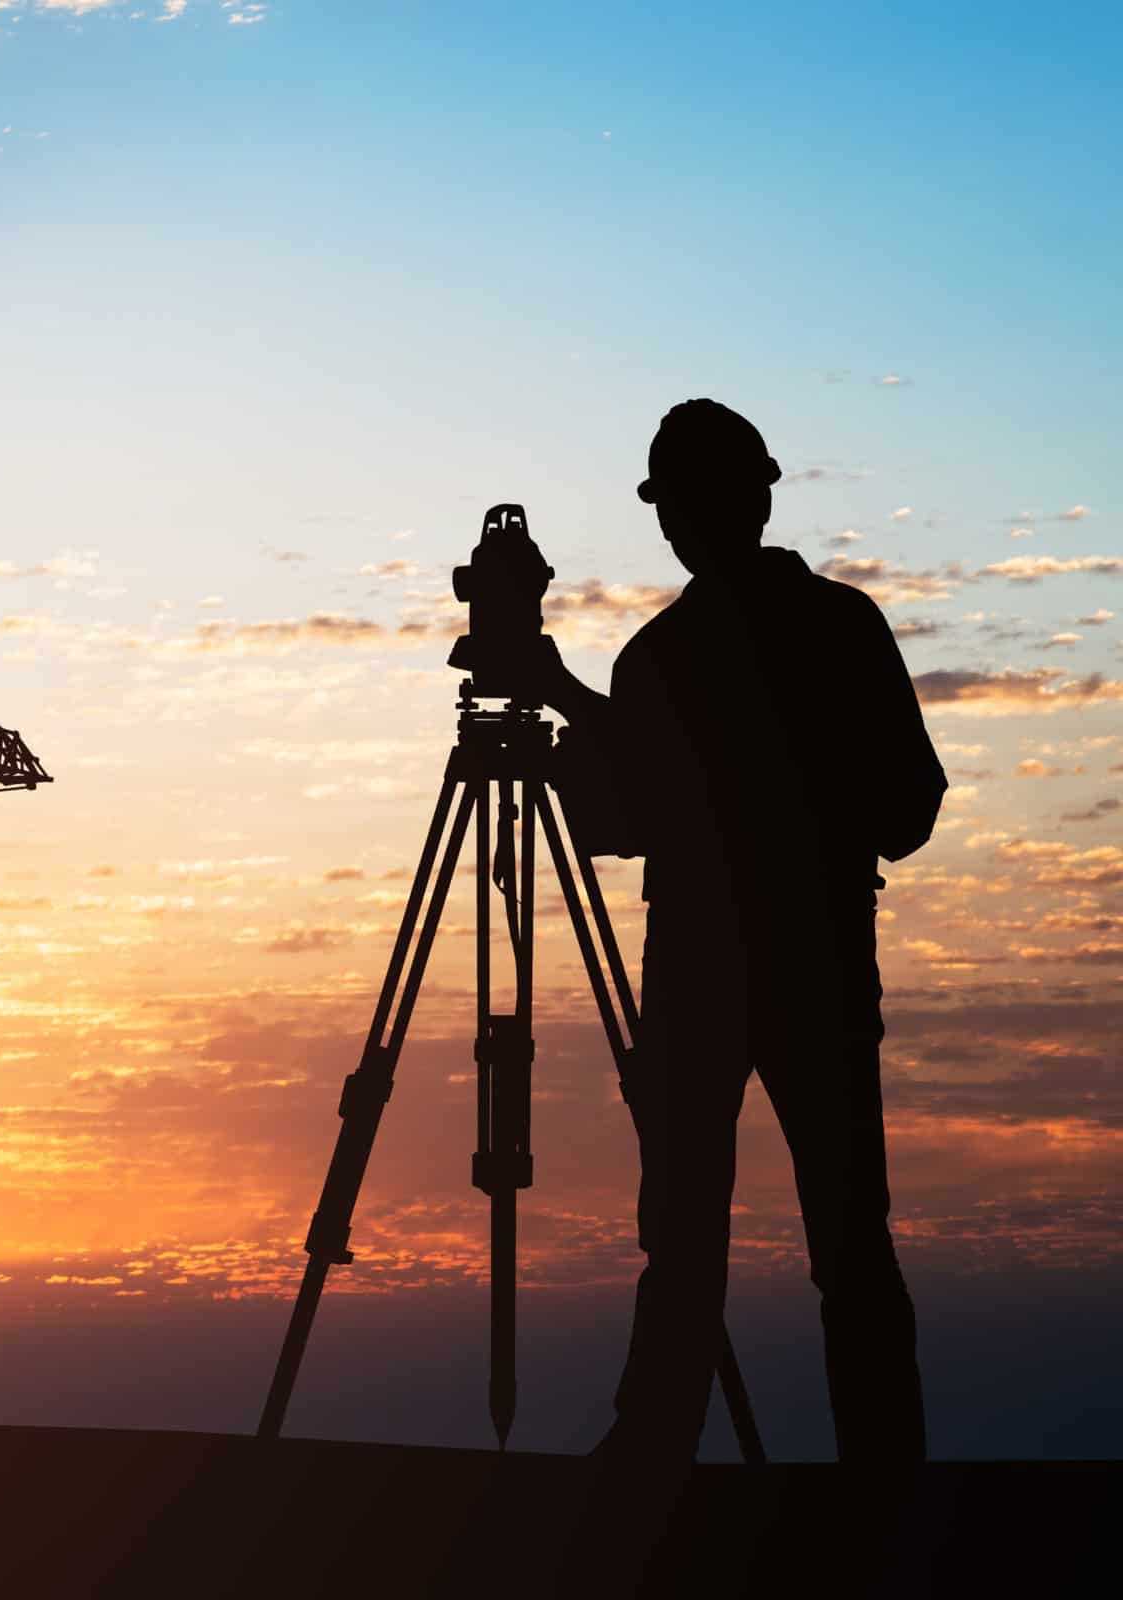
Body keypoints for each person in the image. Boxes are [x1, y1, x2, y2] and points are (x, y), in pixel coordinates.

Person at [517, 399, 945, 1470]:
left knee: (700, 1237)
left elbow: (630, 824)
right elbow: (907, 808)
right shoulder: (824, 631)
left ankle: (660, 1448)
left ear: (729, 504)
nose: (677, 527)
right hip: (804, 967)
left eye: (682, 505)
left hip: (730, 970)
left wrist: (580, 714)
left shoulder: (665, 658)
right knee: (827, 1240)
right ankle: (877, 1472)